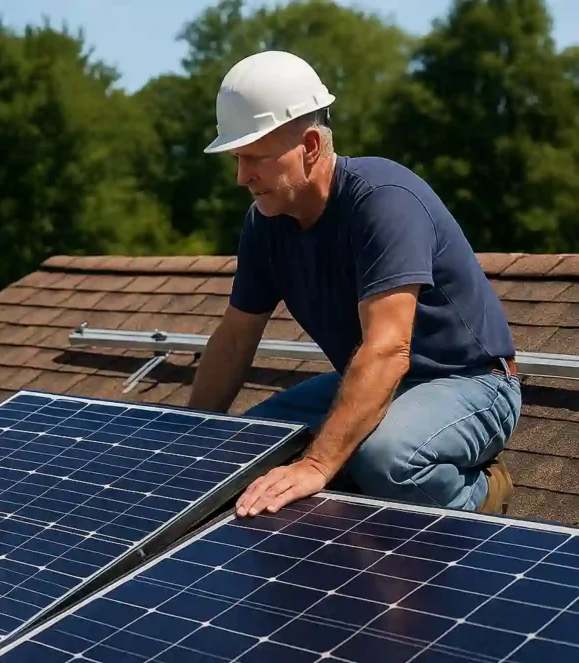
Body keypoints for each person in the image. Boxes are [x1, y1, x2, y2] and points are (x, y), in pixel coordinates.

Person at [188, 51, 521, 519]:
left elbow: (388, 351)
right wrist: (188, 435)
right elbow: (236, 336)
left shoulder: (383, 202)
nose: (242, 176)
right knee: (246, 452)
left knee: (387, 461)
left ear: (308, 146)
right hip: (368, 377)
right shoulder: (266, 222)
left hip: (468, 381)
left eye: (254, 158)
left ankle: (480, 492)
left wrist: (318, 464)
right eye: (237, 158)